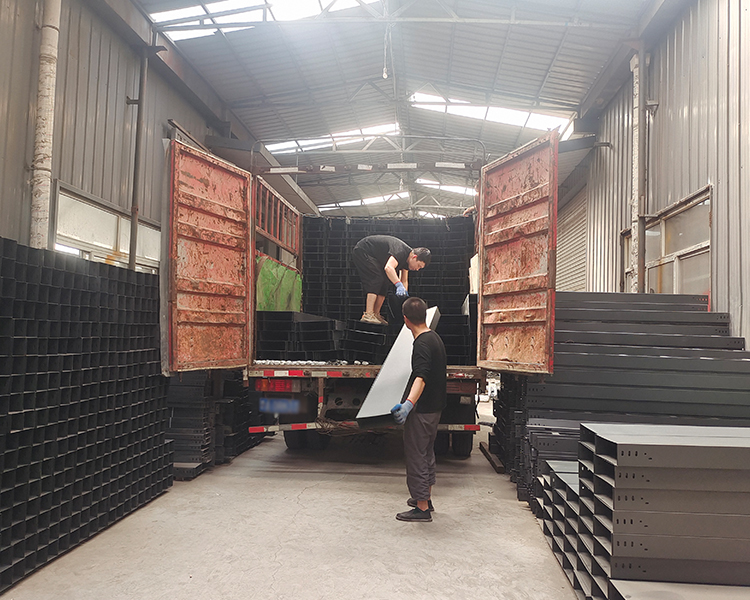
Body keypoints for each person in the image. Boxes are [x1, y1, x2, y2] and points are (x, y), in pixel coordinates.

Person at [390, 297, 447, 523]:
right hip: (435, 407)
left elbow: (421, 377)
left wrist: (408, 404)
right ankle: (426, 499)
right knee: (426, 453)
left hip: (422, 410)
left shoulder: (421, 344)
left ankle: (422, 509)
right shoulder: (435, 338)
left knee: (416, 456)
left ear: (405, 320)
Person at [351, 235, 431, 325]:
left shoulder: (407, 261)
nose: (417, 269)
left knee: (386, 281)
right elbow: (388, 268)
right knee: (377, 278)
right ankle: (368, 314)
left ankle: (376, 314)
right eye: (419, 266)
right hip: (364, 250)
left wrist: (404, 297)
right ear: (414, 257)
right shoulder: (401, 251)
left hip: (375, 257)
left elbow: (404, 280)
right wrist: (398, 284)